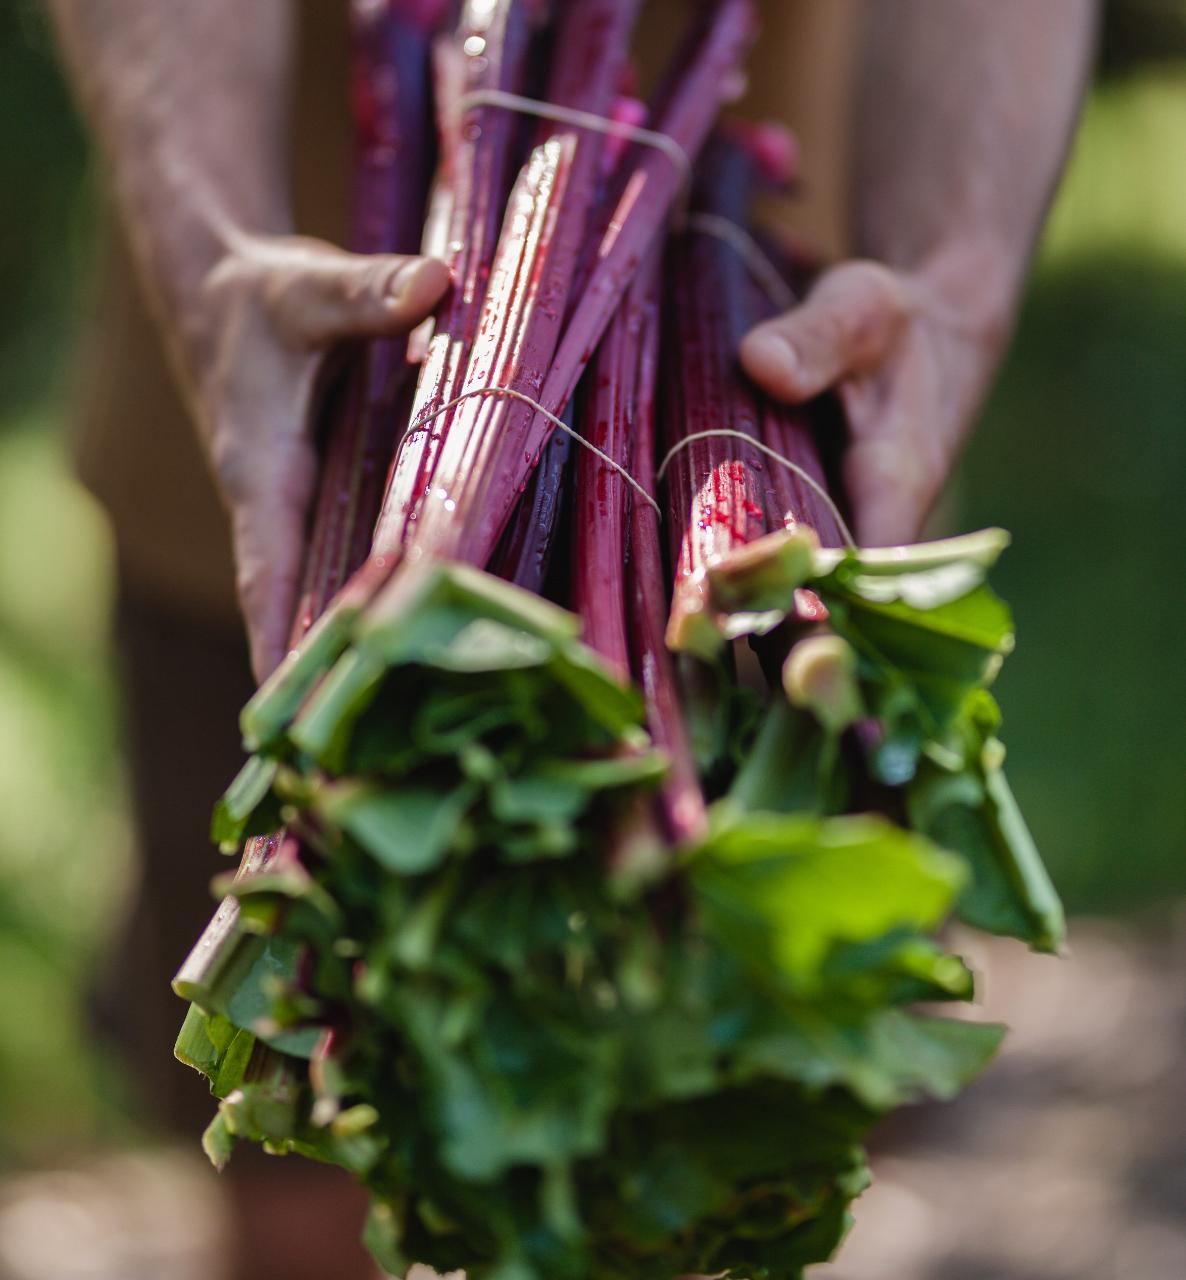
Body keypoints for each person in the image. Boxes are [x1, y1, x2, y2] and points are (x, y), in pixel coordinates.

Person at [46, 2, 1096, 1278]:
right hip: (281, 352)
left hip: (796, 333)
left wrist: (957, 274)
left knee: (711, 1134)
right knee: (312, 1176)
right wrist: (205, 233)